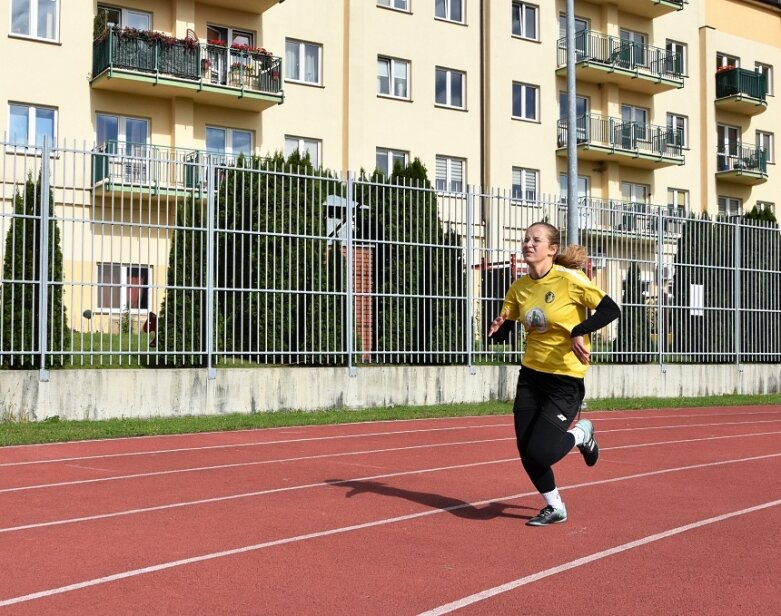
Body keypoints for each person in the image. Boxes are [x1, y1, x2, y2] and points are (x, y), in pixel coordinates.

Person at [488, 222, 620, 526]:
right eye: (526, 240)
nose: (528, 244)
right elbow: (505, 328)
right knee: (526, 450)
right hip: (531, 377)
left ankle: (581, 433)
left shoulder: (570, 279)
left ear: (552, 249)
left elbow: (611, 309)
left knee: (542, 452)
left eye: (536, 240)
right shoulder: (519, 288)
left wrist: (579, 330)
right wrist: (497, 330)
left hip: (564, 378)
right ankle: (555, 506)